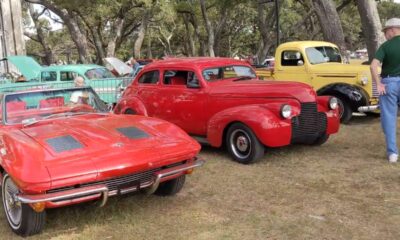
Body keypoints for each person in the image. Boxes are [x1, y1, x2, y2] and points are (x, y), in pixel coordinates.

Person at [370, 18, 400, 163]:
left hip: (390, 83)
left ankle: (393, 153)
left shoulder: (386, 46)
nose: (385, 34)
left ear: (393, 29)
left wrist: (378, 84)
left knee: (389, 118)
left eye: (386, 31)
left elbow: (373, 66)